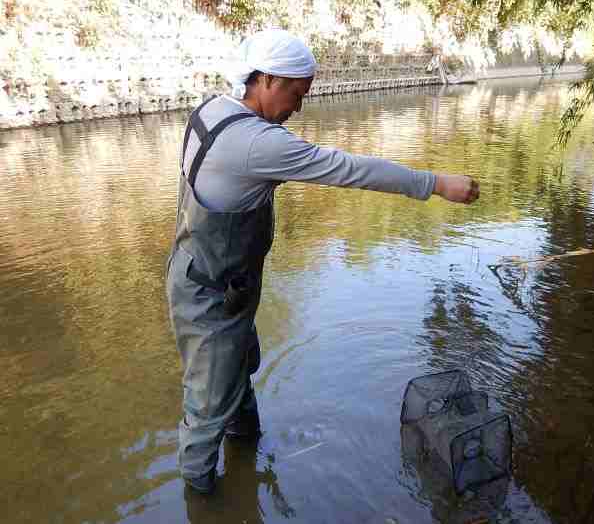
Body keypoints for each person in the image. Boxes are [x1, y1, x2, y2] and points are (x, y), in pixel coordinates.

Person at [165, 28, 480, 495]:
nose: (298, 107)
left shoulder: (212, 110)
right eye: (296, 94)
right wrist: (435, 183)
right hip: (211, 296)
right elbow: (350, 169)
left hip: (206, 277)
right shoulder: (259, 145)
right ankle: (201, 496)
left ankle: (245, 453)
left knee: (235, 372)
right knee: (207, 405)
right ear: (267, 80)